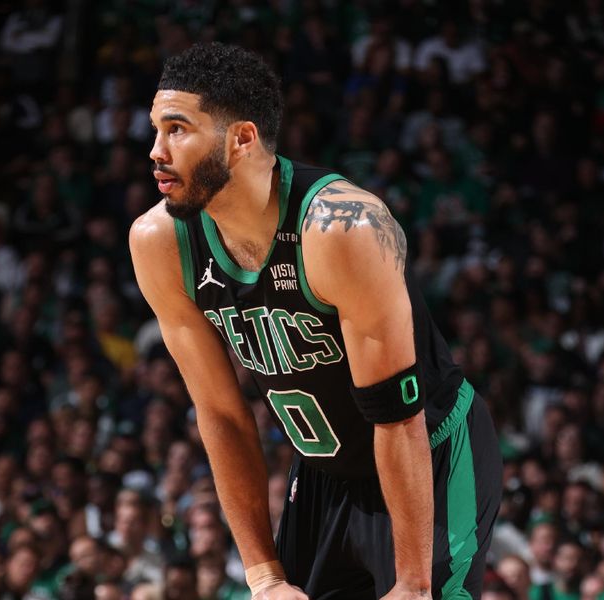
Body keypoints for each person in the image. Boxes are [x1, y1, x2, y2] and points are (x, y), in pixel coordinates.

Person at [129, 42, 503, 600]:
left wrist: (414, 584)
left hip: (429, 452)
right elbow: (222, 415)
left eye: (177, 129)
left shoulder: (342, 228)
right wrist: (264, 577)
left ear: (242, 138)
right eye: (156, 129)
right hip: (324, 473)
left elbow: (396, 417)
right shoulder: (160, 241)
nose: (156, 151)